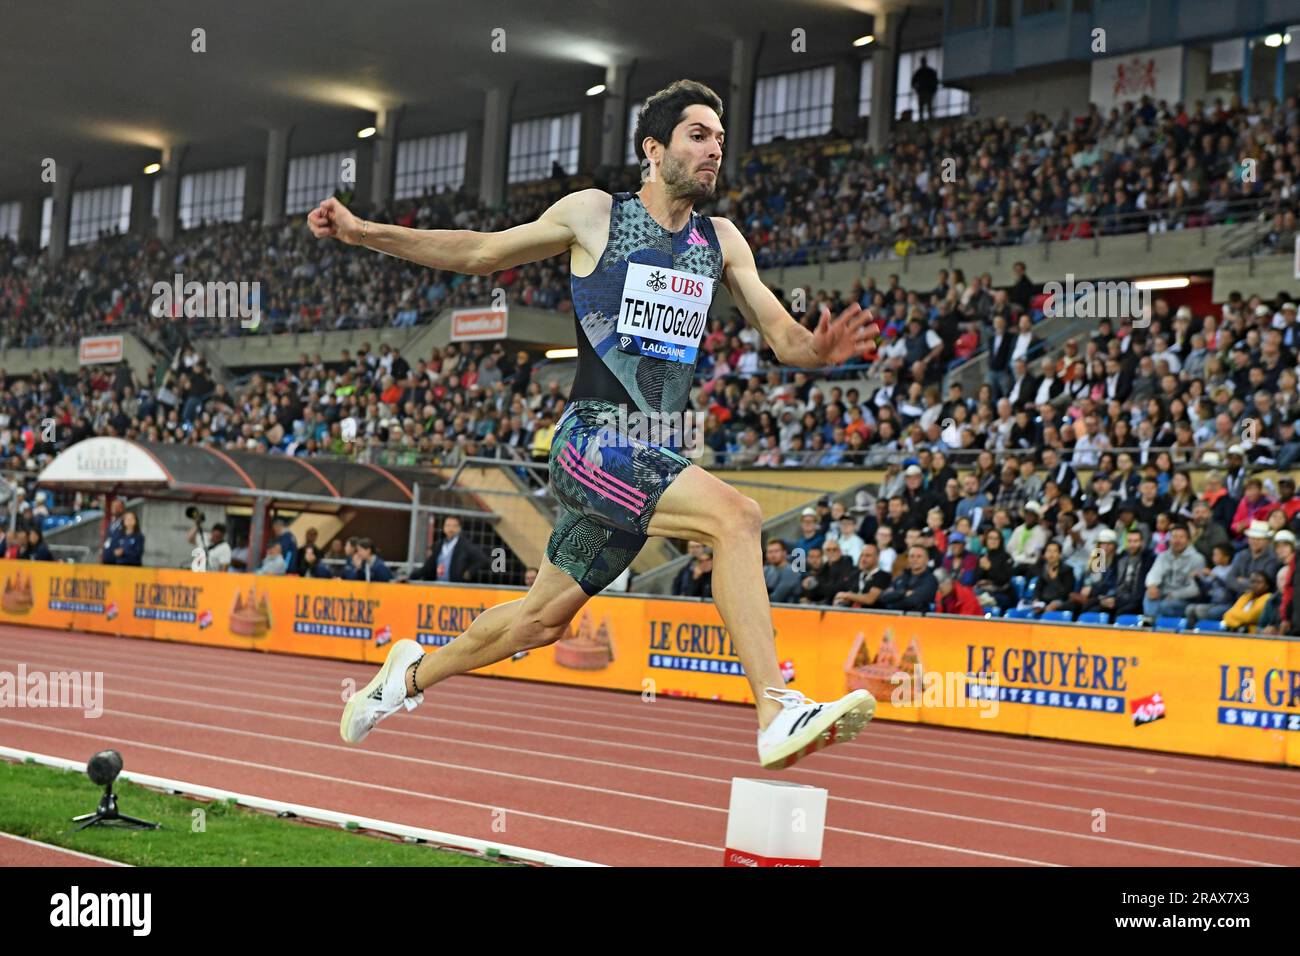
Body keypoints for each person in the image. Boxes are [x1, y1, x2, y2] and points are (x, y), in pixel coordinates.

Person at [320, 79, 879, 769]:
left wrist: (819, 352)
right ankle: (776, 708)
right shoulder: (595, 215)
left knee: (541, 621)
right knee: (736, 516)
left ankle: (401, 679)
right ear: (654, 148)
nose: (713, 152)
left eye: (721, 141)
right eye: (698, 136)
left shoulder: (721, 241)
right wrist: (360, 231)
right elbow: (478, 253)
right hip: (592, 443)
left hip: (648, 456)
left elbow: (785, 338)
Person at [414, 516, 489, 583]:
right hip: (437, 585)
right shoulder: (438, 545)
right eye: (448, 525)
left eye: (454, 526)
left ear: (459, 529)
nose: (451, 529)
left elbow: (483, 559)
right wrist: (412, 577)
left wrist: (468, 573)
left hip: (455, 587)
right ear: (443, 528)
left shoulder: (464, 545)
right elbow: (428, 566)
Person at [911, 56, 939, 122]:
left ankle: (929, 119)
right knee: (922, 108)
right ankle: (923, 120)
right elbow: (913, 83)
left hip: (927, 92)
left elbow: (935, 82)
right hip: (922, 92)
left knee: (928, 107)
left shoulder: (928, 72)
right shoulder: (920, 72)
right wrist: (917, 90)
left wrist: (933, 90)